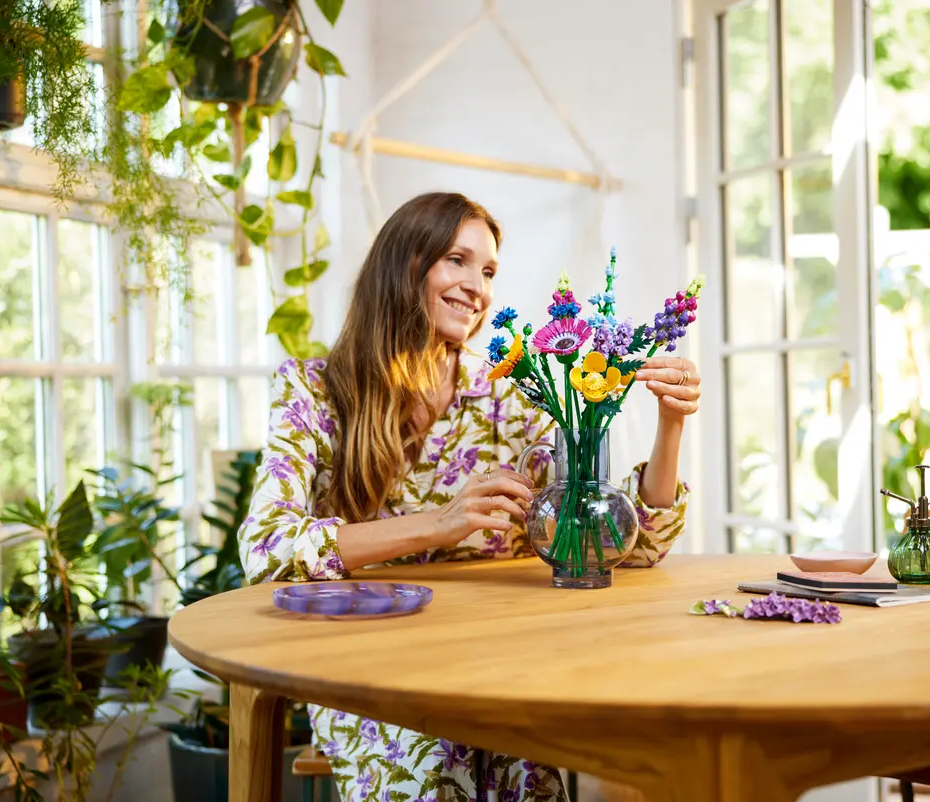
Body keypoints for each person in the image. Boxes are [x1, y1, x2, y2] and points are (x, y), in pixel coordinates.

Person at [240, 192, 701, 802]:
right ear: (403, 264)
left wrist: (671, 425)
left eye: (487, 271)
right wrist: (439, 524)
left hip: (494, 661)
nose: (477, 287)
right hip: (364, 666)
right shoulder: (313, 391)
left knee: (525, 768)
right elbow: (267, 548)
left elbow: (619, 546)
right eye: (456, 260)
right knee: (430, 763)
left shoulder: (510, 393)